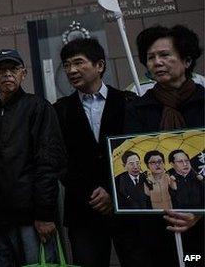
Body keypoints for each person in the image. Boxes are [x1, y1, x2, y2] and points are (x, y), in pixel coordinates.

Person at [53, 38, 143, 267]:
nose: (71, 70)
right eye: (66, 65)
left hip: (128, 205)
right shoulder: (60, 110)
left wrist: (112, 192)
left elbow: (137, 151)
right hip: (83, 209)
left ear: (99, 65)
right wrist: (92, 191)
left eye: (78, 63)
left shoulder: (128, 102)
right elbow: (59, 160)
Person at [125, 25, 204, 266]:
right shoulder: (138, 109)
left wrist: (198, 212)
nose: (157, 62)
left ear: (187, 60)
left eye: (165, 55)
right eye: (150, 57)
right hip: (157, 229)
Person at [0, 49, 65, 267]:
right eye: (1, 69)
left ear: (23, 74)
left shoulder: (38, 107)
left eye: (14, 69)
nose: (8, 74)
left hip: (32, 218)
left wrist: (45, 214)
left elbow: (48, 162)